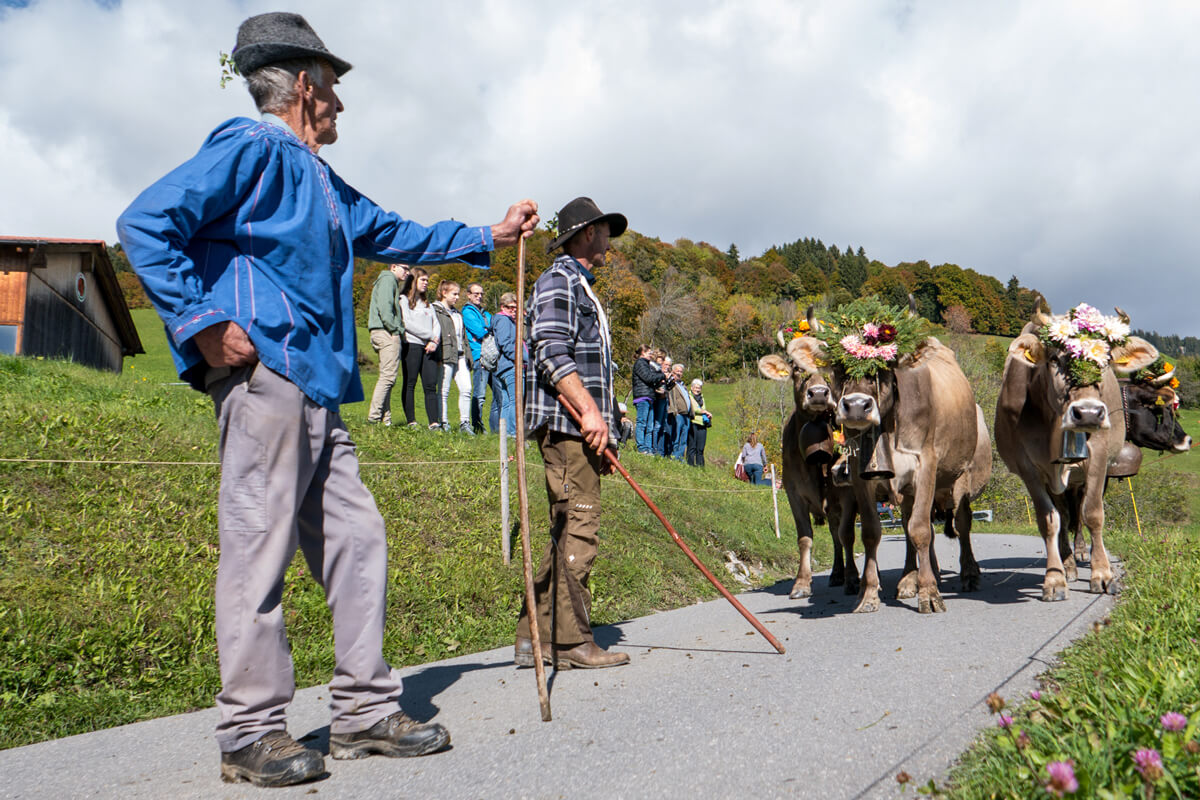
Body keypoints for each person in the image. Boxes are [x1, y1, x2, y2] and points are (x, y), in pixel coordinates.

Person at [116, 11, 538, 787]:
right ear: (305, 84)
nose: (342, 103)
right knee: (259, 546)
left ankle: (364, 712)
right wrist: (205, 324)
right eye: (335, 87)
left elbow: (392, 229)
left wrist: (491, 233)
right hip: (266, 376)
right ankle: (249, 732)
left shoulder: (317, 175)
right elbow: (146, 223)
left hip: (317, 388)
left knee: (358, 535)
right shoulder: (249, 150)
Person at [514, 196, 629, 670]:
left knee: (565, 526)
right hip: (567, 427)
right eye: (604, 230)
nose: (608, 240)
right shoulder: (560, 281)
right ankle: (569, 642)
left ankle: (533, 637)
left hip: (581, 428)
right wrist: (589, 415)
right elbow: (551, 351)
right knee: (580, 525)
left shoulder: (580, 286)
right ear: (586, 233)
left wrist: (609, 424)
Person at [366, 262, 409, 425]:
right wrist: (395, 329)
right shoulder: (388, 280)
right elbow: (385, 308)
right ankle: (374, 418)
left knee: (387, 376)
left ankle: (386, 419)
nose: (407, 272)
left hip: (381, 331)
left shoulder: (388, 280)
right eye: (404, 268)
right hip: (385, 332)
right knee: (388, 377)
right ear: (393, 267)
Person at [399, 268, 442, 429]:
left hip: (429, 347)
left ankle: (434, 422)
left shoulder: (427, 304)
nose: (426, 283)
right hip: (412, 344)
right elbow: (406, 322)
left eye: (427, 280)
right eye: (423, 279)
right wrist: (430, 335)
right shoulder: (403, 300)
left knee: (431, 385)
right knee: (410, 382)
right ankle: (411, 421)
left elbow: (436, 324)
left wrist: (434, 341)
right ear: (414, 280)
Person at [432, 281, 471, 432]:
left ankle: (465, 423)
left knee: (466, 388)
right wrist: (438, 354)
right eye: (454, 294)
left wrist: (468, 356)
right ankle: (443, 422)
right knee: (443, 390)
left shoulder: (458, 313)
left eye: (458, 294)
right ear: (444, 293)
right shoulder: (436, 310)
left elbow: (463, 337)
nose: (457, 297)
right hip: (445, 355)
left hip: (460, 355)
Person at [461, 282, 491, 433]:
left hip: (492, 356)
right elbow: (480, 332)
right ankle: (477, 424)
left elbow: (493, 329)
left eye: (481, 294)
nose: (479, 296)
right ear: (468, 295)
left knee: (499, 393)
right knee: (480, 394)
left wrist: (488, 330)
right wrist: (487, 330)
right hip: (479, 356)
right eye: (475, 294)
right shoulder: (467, 312)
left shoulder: (485, 313)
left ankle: (498, 427)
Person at [489, 292, 519, 435]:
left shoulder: (506, 320)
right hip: (509, 365)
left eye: (515, 308)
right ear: (502, 307)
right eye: (510, 307)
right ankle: (513, 433)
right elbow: (505, 343)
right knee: (515, 401)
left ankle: (505, 435)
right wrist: (520, 358)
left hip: (504, 366)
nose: (513, 310)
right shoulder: (503, 320)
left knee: (507, 402)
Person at [630, 344, 662, 454]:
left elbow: (651, 378)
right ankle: (641, 448)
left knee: (650, 426)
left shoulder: (647, 364)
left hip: (649, 397)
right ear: (643, 352)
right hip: (642, 397)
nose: (651, 355)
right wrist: (662, 376)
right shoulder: (640, 363)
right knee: (642, 423)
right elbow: (648, 378)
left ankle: (648, 449)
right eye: (650, 353)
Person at [665, 362, 691, 461]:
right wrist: (674, 411)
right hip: (678, 414)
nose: (679, 373)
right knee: (676, 436)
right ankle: (674, 456)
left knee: (683, 439)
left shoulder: (683, 385)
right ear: (673, 371)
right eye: (677, 371)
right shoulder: (673, 384)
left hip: (686, 415)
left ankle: (679, 457)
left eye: (681, 371)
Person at [686, 378, 711, 467]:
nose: (697, 389)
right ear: (692, 388)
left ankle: (701, 466)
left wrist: (706, 415)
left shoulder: (702, 398)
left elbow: (702, 409)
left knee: (700, 447)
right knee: (692, 445)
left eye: (699, 388)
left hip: (702, 423)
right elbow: (693, 408)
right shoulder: (689, 396)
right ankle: (690, 464)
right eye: (696, 387)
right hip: (693, 422)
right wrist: (704, 412)